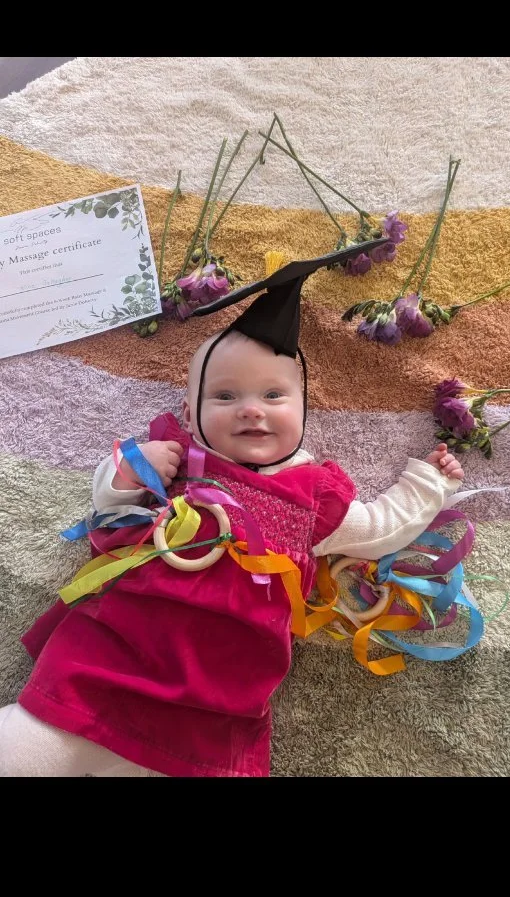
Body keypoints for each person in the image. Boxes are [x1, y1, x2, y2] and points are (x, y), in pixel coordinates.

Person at [0, 243, 464, 778]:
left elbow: (380, 528)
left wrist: (429, 483)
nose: (250, 410)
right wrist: (129, 473)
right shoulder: (178, 459)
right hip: (102, 669)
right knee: (23, 754)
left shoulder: (313, 495)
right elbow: (109, 514)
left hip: (210, 707)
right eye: (224, 397)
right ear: (190, 413)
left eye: (273, 396)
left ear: (304, 412)